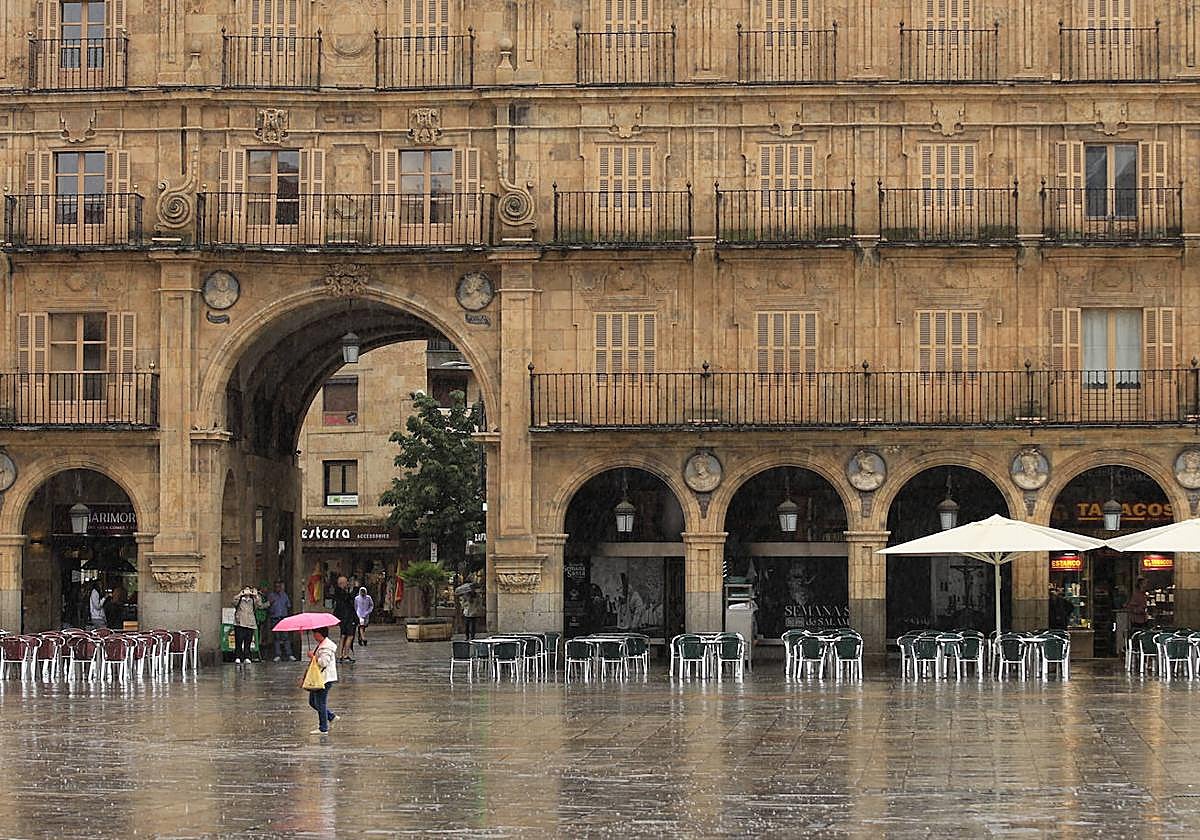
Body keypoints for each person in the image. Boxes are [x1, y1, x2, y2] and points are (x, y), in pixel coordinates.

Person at [306, 626, 339, 735]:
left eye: (315, 633)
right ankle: (331, 716)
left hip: (324, 679)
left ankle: (323, 728)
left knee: (320, 702)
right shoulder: (322, 645)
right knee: (313, 702)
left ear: (319, 634)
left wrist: (313, 657)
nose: (314, 636)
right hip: (318, 678)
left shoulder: (326, 647)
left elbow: (324, 662)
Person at [233, 585, 266, 664]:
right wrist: (240, 594)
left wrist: (256, 595)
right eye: (246, 590)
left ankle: (247, 656)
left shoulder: (253, 600)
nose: (247, 592)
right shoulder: (240, 599)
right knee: (239, 641)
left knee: (248, 641)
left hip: (250, 623)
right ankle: (238, 656)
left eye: (249, 590)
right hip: (240, 622)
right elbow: (233, 602)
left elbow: (260, 605)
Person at [268, 581, 297, 662]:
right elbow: (268, 605)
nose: (277, 588)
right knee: (276, 637)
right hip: (275, 618)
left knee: (285, 637)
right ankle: (278, 655)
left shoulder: (284, 595)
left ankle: (289, 654)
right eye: (276, 586)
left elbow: (288, 605)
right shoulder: (271, 595)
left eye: (279, 586)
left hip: (283, 618)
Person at [331, 576, 358, 663]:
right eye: (346, 582)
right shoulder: (340, 592)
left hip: (343, 617)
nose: (347, 584)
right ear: (342, 583)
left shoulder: (339, 591)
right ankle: (345, 655)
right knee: (350, 636)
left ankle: (340, 655)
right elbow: (350, 597)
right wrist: (355, 588)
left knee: (343, 635)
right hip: (347, 617)